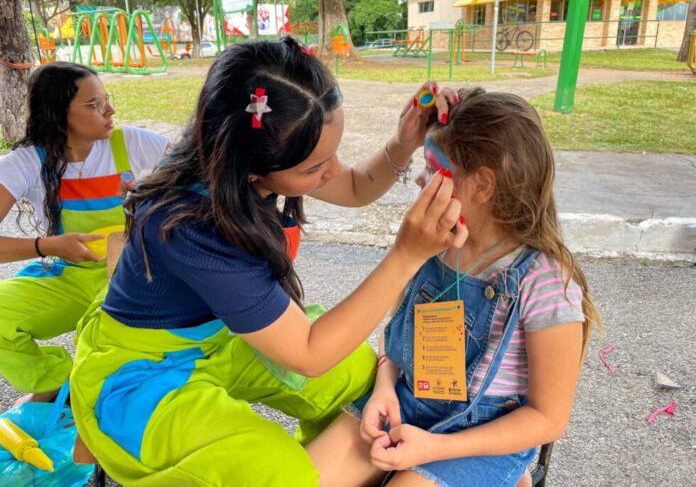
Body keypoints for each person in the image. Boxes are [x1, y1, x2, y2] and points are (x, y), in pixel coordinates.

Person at [69, 37, 466, 485]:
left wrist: (402, 142)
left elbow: (354, 187)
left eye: (331, 155)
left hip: (218, 342)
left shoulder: (243, 154)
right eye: (315, 168)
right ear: (252, 169)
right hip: (144, 376)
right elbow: (309, 355)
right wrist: (405, 257)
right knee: (274, 469)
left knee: (356, 373)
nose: (332, 171)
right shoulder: (190, 227)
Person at [308, 87, 602, 487]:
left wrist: (432, 449)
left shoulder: (545, 281)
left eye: (431, 168)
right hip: (407, 405)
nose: (418, 179)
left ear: (482, 185)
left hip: (483, 442)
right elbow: (396, 337)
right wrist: (384, 389)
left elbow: (548, 419)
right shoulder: (432, 244)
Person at [0, 62, 169, 404]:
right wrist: (46, 246)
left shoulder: (131, 142)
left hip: (132, 276)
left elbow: (205, 179)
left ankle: (102, 398)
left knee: (114, 343)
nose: (110, 110)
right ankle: (57, 382)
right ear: (58, 113)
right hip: (70, 276)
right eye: (94, 104)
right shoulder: (26, 162)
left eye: (107, 99)